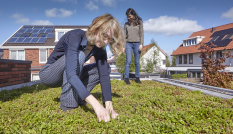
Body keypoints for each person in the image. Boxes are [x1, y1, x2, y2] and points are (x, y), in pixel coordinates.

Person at [39, 14, 124, 122]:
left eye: (110, 39)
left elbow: (103, 76)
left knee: (105, 68)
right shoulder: (75, 36)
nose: (106, 42)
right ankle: (68, 104)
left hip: (69, 73)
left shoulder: (99, 47)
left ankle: (77, 96)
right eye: (105, 36)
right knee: (79, 56)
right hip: (49, 75)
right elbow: (71, 74)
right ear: (95, 28)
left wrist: (109, 107)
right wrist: (96, 105)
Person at [123, 8, 144, 85]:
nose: (129, 18)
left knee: (137, 62)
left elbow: (142, 34)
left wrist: (141, 44)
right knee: (128, 61)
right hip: (128, 44)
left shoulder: (139, 23)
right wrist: (123, 46)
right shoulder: (126, 24)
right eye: (128, 16)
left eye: (130, 16)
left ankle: (137, 78)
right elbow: (124, 36)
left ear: (134, 15)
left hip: (137, 43)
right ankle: (126, 78)